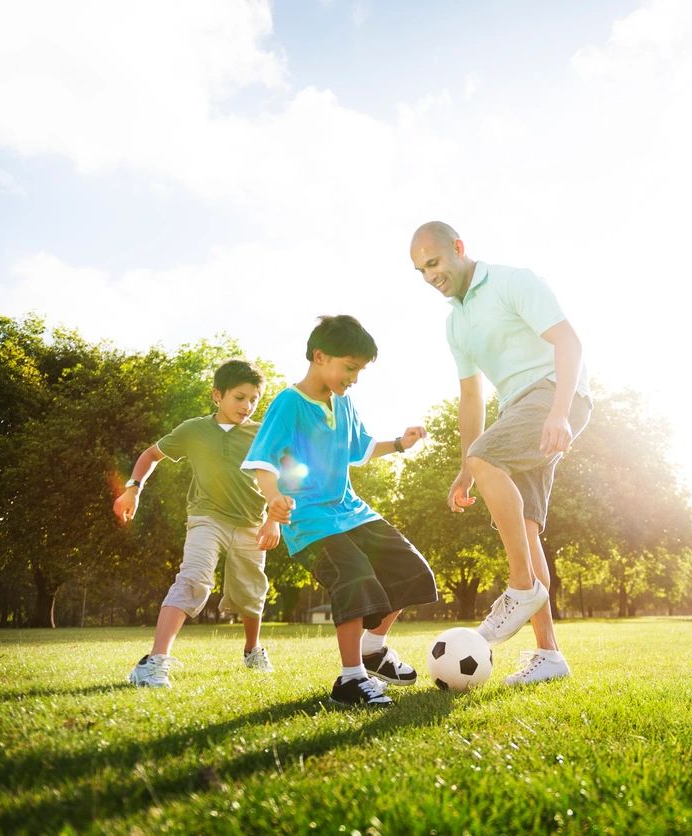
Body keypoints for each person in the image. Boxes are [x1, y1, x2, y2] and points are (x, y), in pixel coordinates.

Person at [409, 221, 592, 686]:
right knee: (526, 527)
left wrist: (559, 412)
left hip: (552, 395)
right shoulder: (456, 323)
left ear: (458, 248)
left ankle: (521, 587)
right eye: (420, 271)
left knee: (487, 457)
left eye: (433, 263)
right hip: (518, 410)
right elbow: (472, 399)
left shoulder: (513, 281)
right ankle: (549, 656)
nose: (430, 276)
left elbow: (569, 342)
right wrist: (465, 469)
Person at [242, 315, 438, 708]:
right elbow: (263, 459)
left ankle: (373, 650)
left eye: (360, 370)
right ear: (319, 356)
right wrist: (273, 497)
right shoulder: (289, 403)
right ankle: (351, 679)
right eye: (350, 367)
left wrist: (400, 443)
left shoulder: (344, 402)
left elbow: (359, 448)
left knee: (410, 569)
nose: (355, 377)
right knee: (355, 576)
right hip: (310, 520)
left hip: (352, 511)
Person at [114, 359, 279, 688]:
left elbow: (276, 479)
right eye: (239, 397)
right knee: (193, 579)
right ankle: (154, 662)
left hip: (251, 523)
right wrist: (133, 489)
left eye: (254, 399)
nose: (247, 406)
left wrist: (273, 520)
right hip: (207, 518)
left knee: (250, 592)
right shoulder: (194, 430)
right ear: (218, 395)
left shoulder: (262, 433)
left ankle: (252, 650)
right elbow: (150, 455)